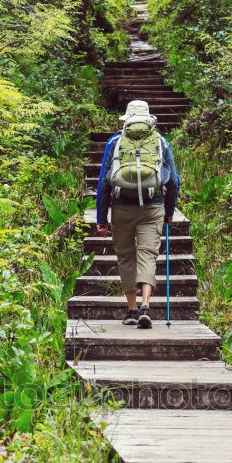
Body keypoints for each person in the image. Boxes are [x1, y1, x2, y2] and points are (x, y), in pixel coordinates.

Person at [96, 100, 180, 329]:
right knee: (148, 254)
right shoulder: (160, 141)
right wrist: (169, 212)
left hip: (122, 207)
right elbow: (173, 181)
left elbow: (104, 182)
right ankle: (146, 305)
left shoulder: (115, 141)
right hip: (153, 207)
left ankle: (132, 309)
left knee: (125, 256)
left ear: (127, 119)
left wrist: (101, 218)